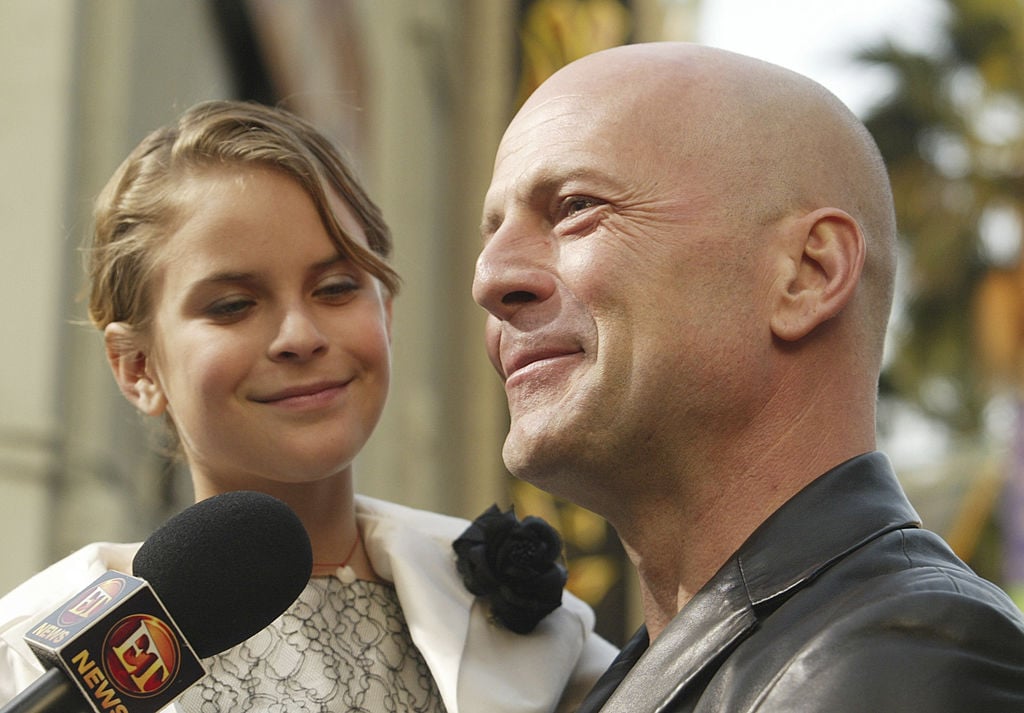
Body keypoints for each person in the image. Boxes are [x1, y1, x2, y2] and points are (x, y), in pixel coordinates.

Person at [0, 100, 616, 713]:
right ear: (137, 367)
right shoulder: (32, 659)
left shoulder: (546, 633)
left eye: (336, 289)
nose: (299, 336)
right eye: (233, 305)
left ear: (385, 314)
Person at [472, 41, 1024, 712]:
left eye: (574, 206)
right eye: (491, 233)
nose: (490, 278)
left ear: (808, 274)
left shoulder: (912, 648)